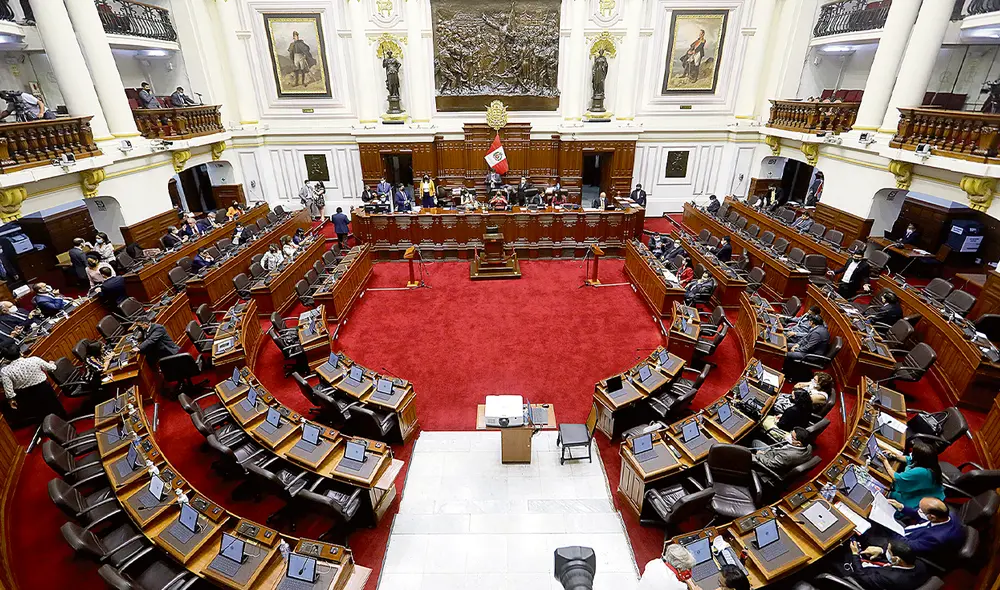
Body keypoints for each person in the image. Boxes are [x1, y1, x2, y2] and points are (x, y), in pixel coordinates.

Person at [858, 497, 963, 559]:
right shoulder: (946, 515)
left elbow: (908, 547)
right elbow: (919, 515)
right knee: (873, 520)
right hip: (906, 531)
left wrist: (890, 526)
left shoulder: (936, 538)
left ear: (932, 517)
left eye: (921, 510)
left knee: (865, 529)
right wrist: (901, 507)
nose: (918, 510)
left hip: (902, 544)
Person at [0, 347, 64, 420]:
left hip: (25, 395)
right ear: (20, 352)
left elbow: (9, 391)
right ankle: (66, 422)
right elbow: (52, 368)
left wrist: (11, 400)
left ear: (6, 359)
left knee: (39, 413)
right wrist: (51, 363)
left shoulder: (5, 371)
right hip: (44, 389)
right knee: (55, 407)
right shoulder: (34, 359)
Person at [880, 441, 946, 509]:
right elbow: (909, 459)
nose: (911, 454)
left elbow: (897, 477)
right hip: (928, 490)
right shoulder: (930, 462)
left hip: (919, 498)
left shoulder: (921, 472)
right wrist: (894, 455)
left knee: (890, 492)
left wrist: (885, 462)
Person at [845, 539, 929, 590]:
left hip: (863, 576)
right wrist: (881, 551)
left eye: (888, 551)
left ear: (897, 559)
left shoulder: (890, 578)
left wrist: (855, 554)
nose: (887, 552)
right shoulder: (919, 564)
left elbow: (862, 576)